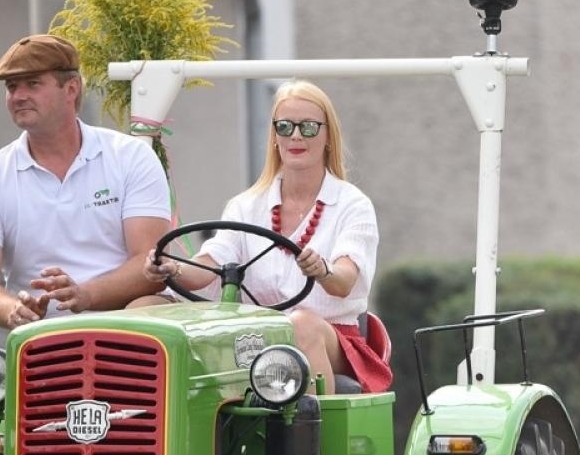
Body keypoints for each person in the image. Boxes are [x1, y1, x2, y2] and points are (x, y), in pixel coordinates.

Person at [139, 79, 391, 394]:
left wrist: (323, 270)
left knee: (301, 325)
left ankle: (312, 424)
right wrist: (172, 268)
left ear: (328, 136)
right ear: (274, 137)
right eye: (284, 127)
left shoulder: (352, 204)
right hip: (255, 337)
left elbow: (344, 281)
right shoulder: (246, 205)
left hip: (329, 335)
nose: (295, 136)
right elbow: (210, 264)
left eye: (308, 127)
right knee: (144, 307)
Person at [0, 33, 173, 328]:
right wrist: (13, 309)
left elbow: (152, 267)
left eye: (33, 84)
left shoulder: (130, 156)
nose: (18, 96)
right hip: (40, 337)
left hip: (126, 330)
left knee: (146, 310)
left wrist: (86, 295)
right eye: (11, 86)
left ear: (71, 88)